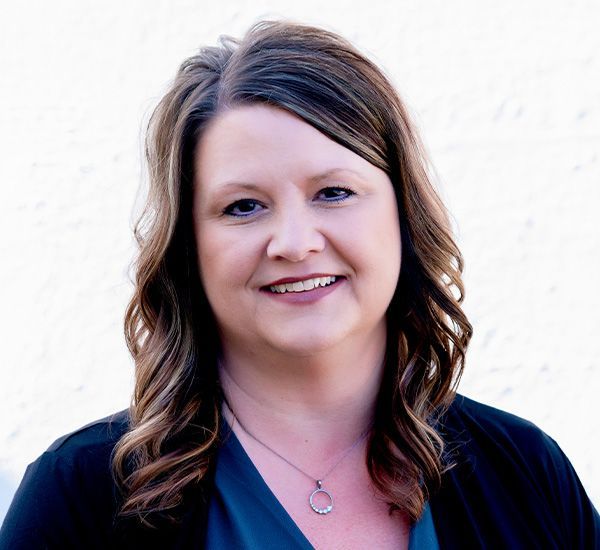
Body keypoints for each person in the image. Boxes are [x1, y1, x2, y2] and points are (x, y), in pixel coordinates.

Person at [1, 19, 598, 549]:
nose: (293, 241)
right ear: (189, 245)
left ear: (402, 213)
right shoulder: (78, 500)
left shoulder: (525, 473)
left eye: (333, 193)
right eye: (242, 206)